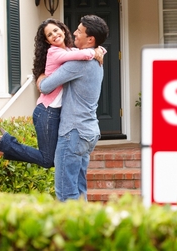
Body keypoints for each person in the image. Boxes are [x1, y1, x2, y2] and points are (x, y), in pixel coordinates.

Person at [0, 18, 105, 168]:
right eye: (49, 35)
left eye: (55, 30)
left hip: (56, 112)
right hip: (47, 111)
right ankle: (3, 143)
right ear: (47, 41)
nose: (54, 35)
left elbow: (81, 53)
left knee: (51, 159)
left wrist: (99, 49)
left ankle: (1, 148)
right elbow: (82, 55)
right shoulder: (55, 52)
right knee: (49, 160)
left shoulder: (70, 51)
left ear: (63, 30)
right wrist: (95, 51)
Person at [36, 15, 109, 201]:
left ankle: (70, 229)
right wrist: (99, 49)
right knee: (79, 188)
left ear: (90, 39)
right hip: (89, 132)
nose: (74, 32)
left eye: (79, 30)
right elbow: (76, 52)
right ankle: (83, 227)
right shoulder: (95, 59)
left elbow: (45, 86)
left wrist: (41, 76)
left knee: (65, 193)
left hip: (73, 133)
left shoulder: (78, 63)